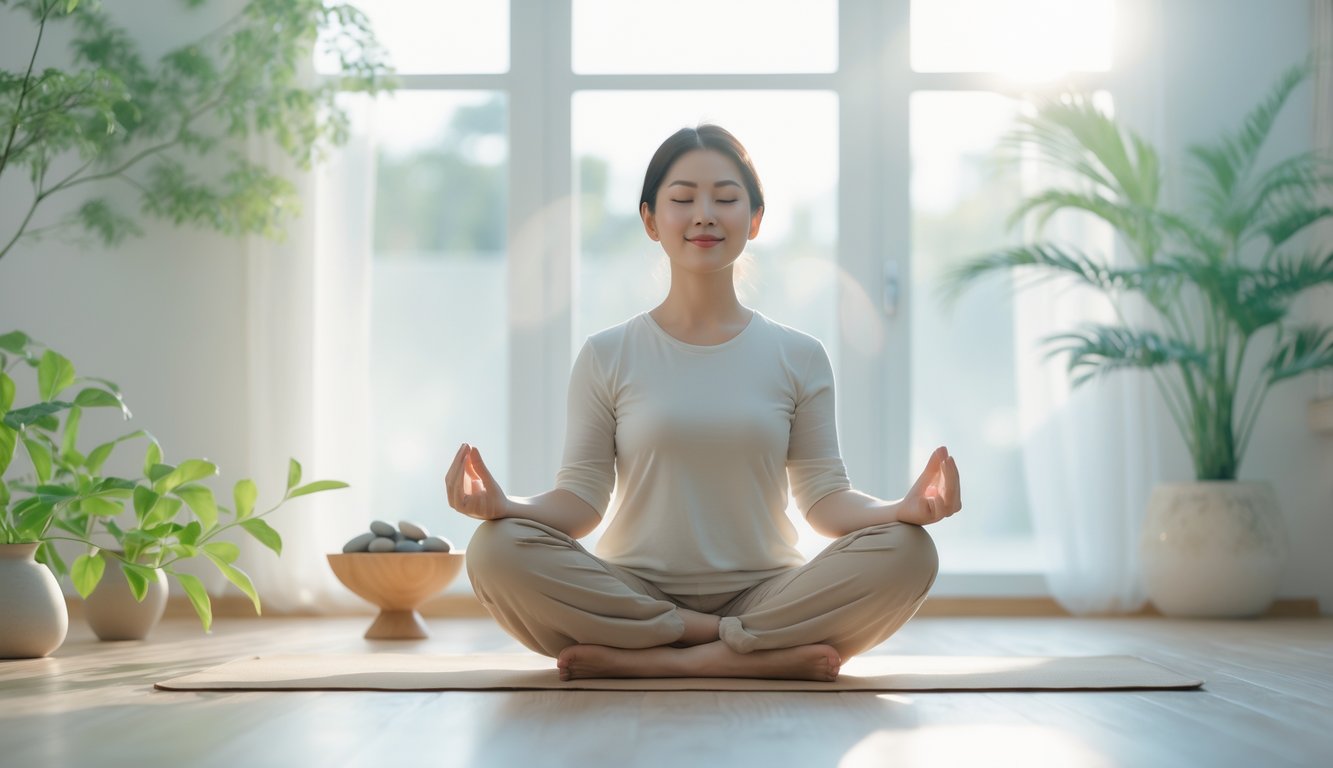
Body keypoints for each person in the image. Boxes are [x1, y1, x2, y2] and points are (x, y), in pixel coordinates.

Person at [445, 124, 960, 682]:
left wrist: (900, 512)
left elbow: (826, 501)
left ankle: (656, 658)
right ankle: (738, 650)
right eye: (683, 199)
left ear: (755, 219)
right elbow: (581, 501)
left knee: (911, 552)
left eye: (726, 198)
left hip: (766, 592)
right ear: (650, 220)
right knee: (495, 551)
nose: (705, 214)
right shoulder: (607, 354)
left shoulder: (799, 356)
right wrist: (506, 508)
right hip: (633, 590)